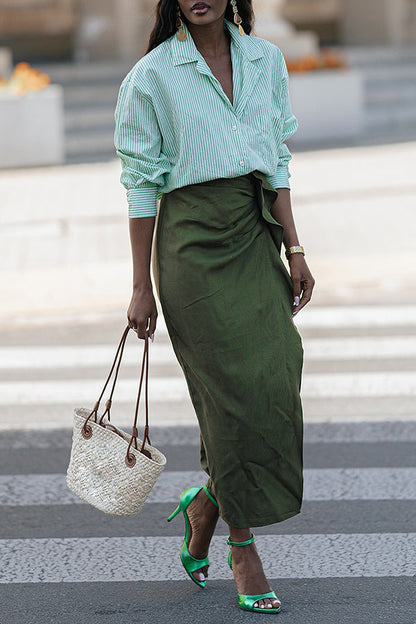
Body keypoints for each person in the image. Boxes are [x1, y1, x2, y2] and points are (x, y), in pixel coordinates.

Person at [114, 0, 315, 614]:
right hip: (191, 247)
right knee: (229, 397)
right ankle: (243, 546)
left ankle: (206, 503)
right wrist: (141, 285)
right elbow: (141, 181)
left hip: (255, 235)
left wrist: (296, 246)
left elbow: (276, 158)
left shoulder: (265, 59)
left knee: (275, 382)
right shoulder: (151, 76)